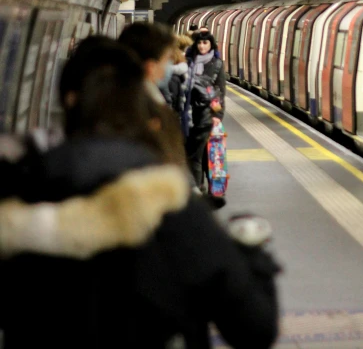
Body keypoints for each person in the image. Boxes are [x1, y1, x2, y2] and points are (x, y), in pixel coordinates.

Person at [0, 36, 280, 349]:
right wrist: (253, 255)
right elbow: (254, 329)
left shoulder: (18, 194)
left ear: (68, 100)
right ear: (139, 101)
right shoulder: (168, 201)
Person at [184, 32, 226, 194]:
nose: (202, 46)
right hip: (190, 114)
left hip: (208, 115)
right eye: (199, 43)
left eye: (205, 43)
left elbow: (220, 92)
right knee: (196, 154)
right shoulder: (188, 63)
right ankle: (199, 188)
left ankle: (211, 189)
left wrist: (218, 116)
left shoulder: (217, 65)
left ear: (211, 45)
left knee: (208, 155)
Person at [119, 22, 173, 105]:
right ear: (150, 67)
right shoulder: (150, 108)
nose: (169, 65)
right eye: (167, 60)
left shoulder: (106, 94)